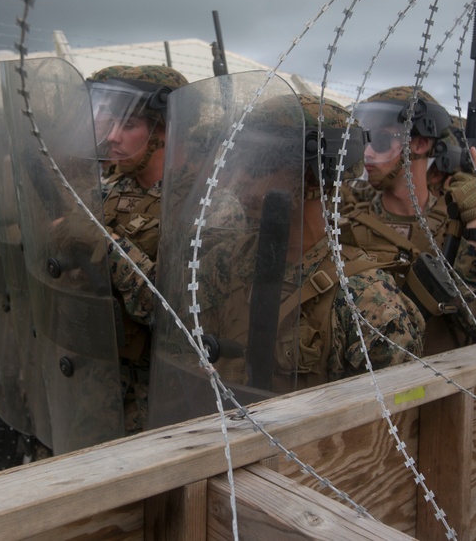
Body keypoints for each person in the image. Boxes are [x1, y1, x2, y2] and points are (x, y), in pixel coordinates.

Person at [148, 74, 426, 427]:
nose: (241, 179)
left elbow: (397, 421)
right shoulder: (224, 263)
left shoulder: (367, 300)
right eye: (239, 163)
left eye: (259, 164)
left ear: (311, 176)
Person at [338, 86, 476, 354]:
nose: (367, 153)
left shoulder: (456, 228)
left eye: (379, 141)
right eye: (364, 140)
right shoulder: (350, 224)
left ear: (421, 143)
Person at [85, 64, 189, 433]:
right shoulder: (106, 192)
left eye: (127, 126)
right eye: (110, 123)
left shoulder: (203, 206)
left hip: (156, 398)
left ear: (166, 134)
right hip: (96, 381)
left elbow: (176, 315)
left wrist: (102, 242)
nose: (111, 137)